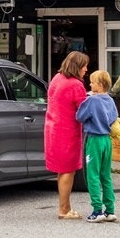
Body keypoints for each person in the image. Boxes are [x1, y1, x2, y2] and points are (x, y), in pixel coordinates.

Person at [43, 49, 89, 219]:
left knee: (62, 171)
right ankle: (64, 210)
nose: (86, 70)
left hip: (52, 129)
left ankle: (66, 207)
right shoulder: (76, 85)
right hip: (67, 132)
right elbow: (83, 111)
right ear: (77, 66)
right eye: (84, 66)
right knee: (68, 170)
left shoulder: (57, 78)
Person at [77, 70, 119, 221]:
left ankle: (97, 210)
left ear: (99, 85)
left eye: (92, 82)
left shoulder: (91, 100)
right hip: (107, 140)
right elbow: (114, 117)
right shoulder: (110, 100)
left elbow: (79, 116)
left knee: (92, 175)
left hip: (94, 139)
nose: (90, 84)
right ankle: (110, 209)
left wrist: (86, 99)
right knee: (105, 175)